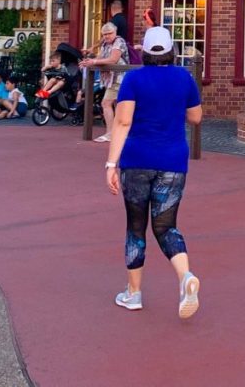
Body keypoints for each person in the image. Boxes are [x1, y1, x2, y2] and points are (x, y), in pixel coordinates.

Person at [107, 26, 203, 319]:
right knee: (166, 226)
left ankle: (133, 293)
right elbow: (196, 117)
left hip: (137, 159)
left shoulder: (134, 79)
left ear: (145, 52)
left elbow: (122, 123)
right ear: (171, 50)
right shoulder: (184, 78)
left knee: (136, 227)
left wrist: (111, 164)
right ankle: (185, 276)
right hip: (173, 160)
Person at [82, 22, 126, 142]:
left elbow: (113, 59)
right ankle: (119, 133)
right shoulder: (105, 44)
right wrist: (89, 61)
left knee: (106, 103)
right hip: (110, 79)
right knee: (118, 105)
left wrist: (94, 62)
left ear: (115, 32)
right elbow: (101, 58)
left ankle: (110, 133)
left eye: (109, 33)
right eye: (105, 34)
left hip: (119, 77)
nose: (107, 36)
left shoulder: (119, 42)